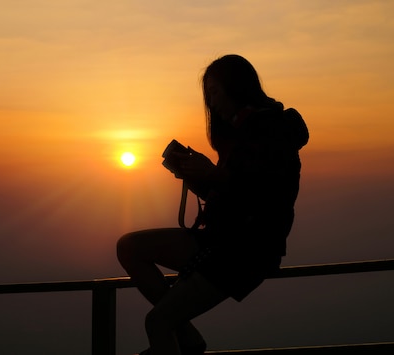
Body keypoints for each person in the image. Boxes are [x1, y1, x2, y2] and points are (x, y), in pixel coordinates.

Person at [116, 54, 308, 355]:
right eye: (208, 94)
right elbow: (232, 196)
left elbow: (262, 196)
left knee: (158, 323)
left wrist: (213, 174)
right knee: (129, 247)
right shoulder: (243, 132)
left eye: (215, 92)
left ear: (236, 87)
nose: (211, 101)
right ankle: (189, 341)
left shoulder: (271, 131)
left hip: (248, 251)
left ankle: (187, 343)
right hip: (223, 241)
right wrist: (197, 179)